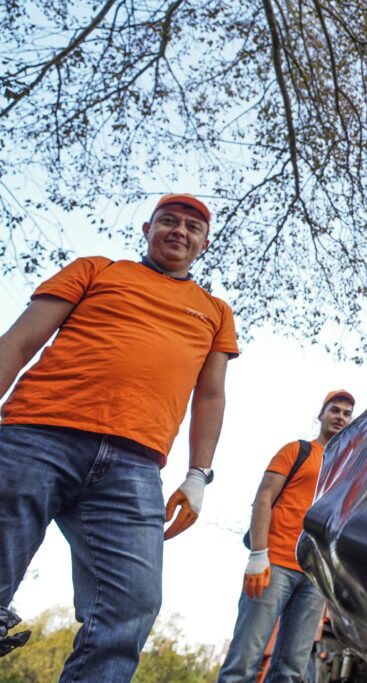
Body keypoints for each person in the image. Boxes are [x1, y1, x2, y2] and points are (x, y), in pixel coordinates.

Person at [0, 193, 238, 679]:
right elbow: (21, 341)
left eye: (192, 227)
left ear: (204, 245)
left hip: (134, 466)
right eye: (168, 221)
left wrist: (198, 475)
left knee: (132, 603)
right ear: (147, 230)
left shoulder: (214, 311)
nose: (179, 231)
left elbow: (210, 396)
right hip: (37, 436)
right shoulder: (97, 270)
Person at [218, 390, 356, 683]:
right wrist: (258, 555)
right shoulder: (297, 451)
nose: (340, 417)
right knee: (244, 659)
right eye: (334, 410)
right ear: (321, 415)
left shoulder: (350, 471)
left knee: (293, 668)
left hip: (315, 576)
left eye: (346, 413)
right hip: (274, 566)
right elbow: (264, 498)